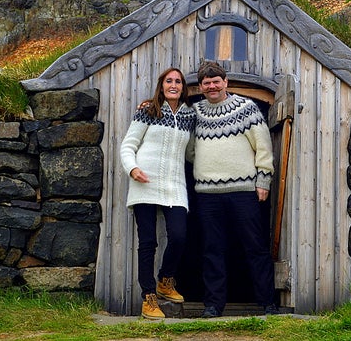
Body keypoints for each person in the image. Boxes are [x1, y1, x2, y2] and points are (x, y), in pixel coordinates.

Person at [191, 60, 278, 318]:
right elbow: (185, 146)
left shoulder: (246, 108)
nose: (212, 86)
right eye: (206, 83)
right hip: (207, 194)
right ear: (201, 87)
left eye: (216, 81)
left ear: (225, 82)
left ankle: (267, 303)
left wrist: (263, 180)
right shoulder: (194, 112)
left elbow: (263, 146)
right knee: (212, 250)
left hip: (244, 191)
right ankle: (213, 305)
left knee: (255, 247)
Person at [119, 67, 196, 320]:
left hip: (174, 186)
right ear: (161, 85)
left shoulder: (189, 116)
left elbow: (192, 153)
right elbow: (128, 145)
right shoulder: (148, 110)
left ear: (184, 87)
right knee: (148, 243)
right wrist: (133, 169)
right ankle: (149, 298)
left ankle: (165, 280)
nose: (173, 85)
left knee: (179, 236)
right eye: (168, 81)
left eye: (178, 81)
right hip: (145, 182)